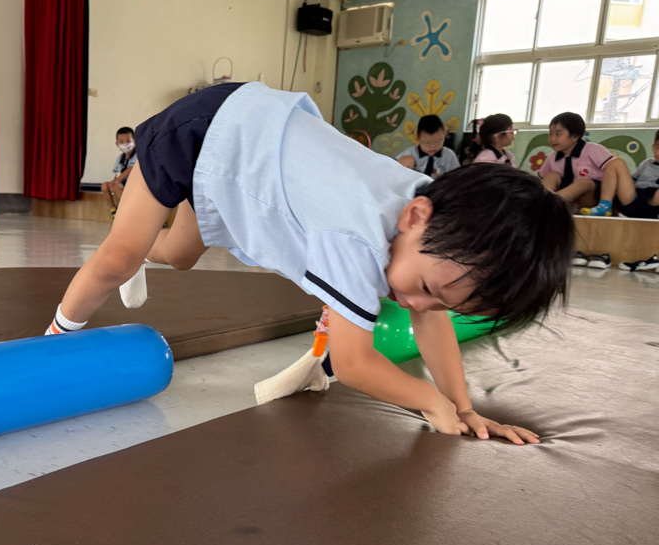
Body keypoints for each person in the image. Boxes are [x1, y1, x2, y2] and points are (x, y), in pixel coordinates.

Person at [45, 82, 574, 444]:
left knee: (180, 255)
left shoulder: (436, 216)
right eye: (425, 288)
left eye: (440, 301)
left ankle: (141, 243)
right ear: (416, 216)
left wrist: (462, 407)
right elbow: (353, 364)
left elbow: (430, 315)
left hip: (241, 153)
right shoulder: (358, 236)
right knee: (118, 257)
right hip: (204, 130)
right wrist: (427, 401)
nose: (414, 303)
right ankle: (52, 340)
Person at [537, 112, 636, 216]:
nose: (552, 139)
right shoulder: (552, 157)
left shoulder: (593, 150)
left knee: (584, 182)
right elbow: (540, 181)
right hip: (569, 199)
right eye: (550, 133)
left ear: (575, 136)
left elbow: (612, 171)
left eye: (558, 134)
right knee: (551, 176)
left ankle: (550, 206)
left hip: (594, 196)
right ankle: (541, 204)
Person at [396, 115, 461, 178]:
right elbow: (395, 170)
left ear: (444, 136)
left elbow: (456, 176)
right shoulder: (410, 153)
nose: (432, 146)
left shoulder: (449, 155)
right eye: (427, 143)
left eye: (438, 142)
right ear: (417, 140)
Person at [617, 129, 659, 220]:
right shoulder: (647, 163)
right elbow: (632, 180)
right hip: (634, 198)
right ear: (653, 147)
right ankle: (605, 205)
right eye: (658, 148)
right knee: (617, 163)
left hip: (653, 204)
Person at [103, 127, 137, 217]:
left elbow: (130, 169)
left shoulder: (137, 155)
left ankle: (128, 211)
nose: (125, 144)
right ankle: (113, 211)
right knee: (104, 186)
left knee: (116, 186)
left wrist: (116, 181)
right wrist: (114, 181)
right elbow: (116, 173)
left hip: (134, 183)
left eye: (128, 141)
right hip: (123, 183)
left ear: (134, 141)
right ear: (117, 144)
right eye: (121, 142)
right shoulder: (120, 158)